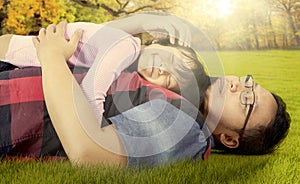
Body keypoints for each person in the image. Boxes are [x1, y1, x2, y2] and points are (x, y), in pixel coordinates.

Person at [0, 14, 290, 167]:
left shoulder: (186, 128)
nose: (240, 85)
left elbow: (91, 155)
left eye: (247, 100)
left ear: (229, 138)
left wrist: (51, 58)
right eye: (249, 82)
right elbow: (98, 44)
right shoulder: (182, 82)